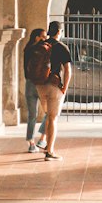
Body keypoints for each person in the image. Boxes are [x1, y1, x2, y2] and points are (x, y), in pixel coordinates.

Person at [37, 18, 72, 161]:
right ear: (59, 32)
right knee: (52, 118)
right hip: (54, 85)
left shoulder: (40, 46)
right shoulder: (62, 47)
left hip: (40, 85)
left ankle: (46, 144)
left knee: (47, 115)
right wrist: (65, 87)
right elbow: (68, 70)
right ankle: (50, 151)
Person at [22, 27, 49, 151]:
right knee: (49, 113)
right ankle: (42, 139)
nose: (45, 38)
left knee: (32, 115)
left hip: (29, 83)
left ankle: (31, 143)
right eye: (43, 36)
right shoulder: (43, 48)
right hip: (41, 84)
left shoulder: (27, 49)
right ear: (37, 37)